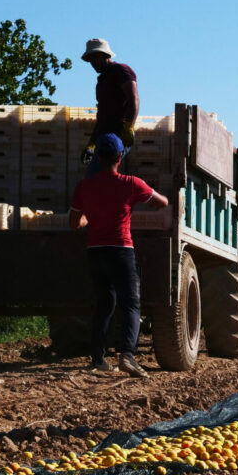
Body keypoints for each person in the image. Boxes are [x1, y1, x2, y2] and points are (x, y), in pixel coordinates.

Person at [69, 133, 169, 377]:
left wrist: (90, 216)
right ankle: (127, 355)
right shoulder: (131, 183)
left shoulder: (84, 187)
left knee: (104, 304)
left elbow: (74, 222)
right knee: (131, 304)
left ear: (98, 157)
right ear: (120, 156)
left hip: (95, 252)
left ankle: (98, 358)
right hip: (121, 250)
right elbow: (162, 203)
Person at [79, 38, 139, 177]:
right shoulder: (101, 81)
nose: (93, 62)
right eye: (90, 59)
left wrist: (129, 127)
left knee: (97, 175)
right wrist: (91, 144)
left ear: (106, 55)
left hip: (119, 133)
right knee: (96, 176)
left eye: (96, 57)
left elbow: (134, 99)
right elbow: (102, 117)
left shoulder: (121, 70)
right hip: (104, 136)